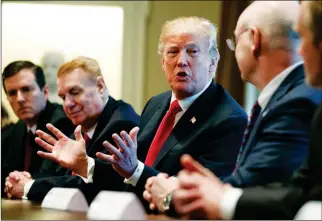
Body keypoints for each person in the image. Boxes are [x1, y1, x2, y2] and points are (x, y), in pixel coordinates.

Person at [35, 17, 248, 210]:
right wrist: (86, 164)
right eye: (173, 52)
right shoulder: (157, 103)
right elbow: (126, 177)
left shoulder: (229, 120)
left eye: (192, 51)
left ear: (212, 62)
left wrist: (134, 170)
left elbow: (198, 199)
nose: (181, 61)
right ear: (163, 63)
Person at [143, 1, 321, 213]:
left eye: (235, 43)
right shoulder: (284, 99)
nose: (300, 49)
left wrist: (178, 193)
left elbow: (254, 184)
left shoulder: (297, 102)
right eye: (173, 52)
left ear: (254, 40)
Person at [4, 56, 140, 203]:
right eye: (63, 97)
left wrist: (28, 186)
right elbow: (61, 177)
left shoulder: (120, 123)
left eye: (75, 92)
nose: (67, 104)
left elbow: (88, 186)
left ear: (100, 86)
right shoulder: (83, 125)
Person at [2, 61, 75, 198]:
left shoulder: (62, 122)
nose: (20, 99)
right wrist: (10, 181)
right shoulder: (16, 129)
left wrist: (24, 185)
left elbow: (52, 177)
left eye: (26, 89)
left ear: (45, 92)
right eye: (12, 93)